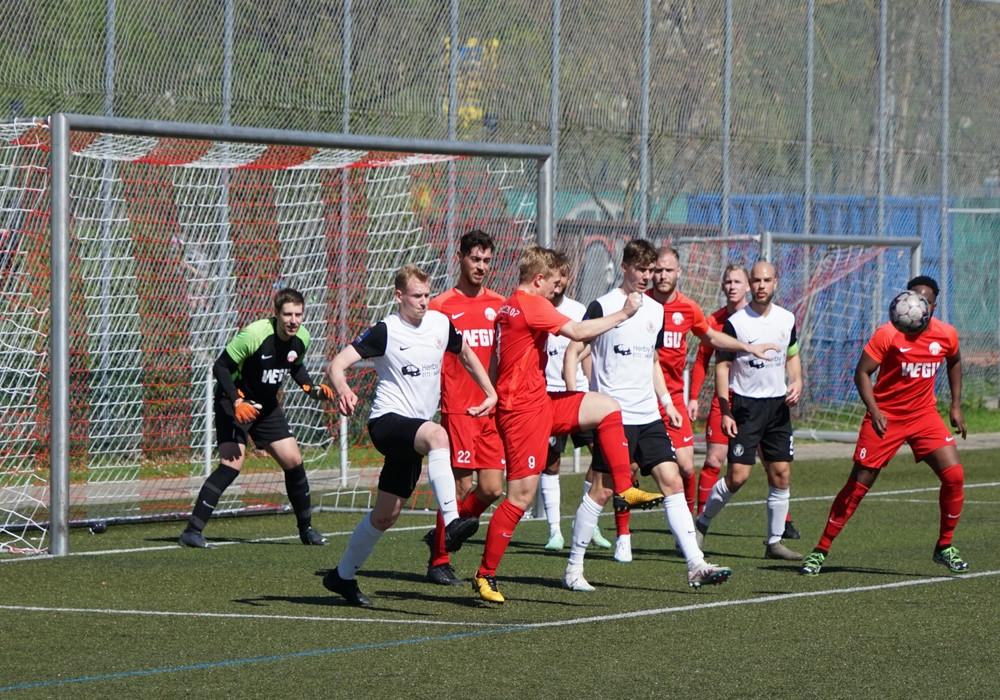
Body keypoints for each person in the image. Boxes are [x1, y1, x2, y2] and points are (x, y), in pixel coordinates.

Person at [472, 245, 664, 604]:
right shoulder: (531, 304)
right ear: (538, 279)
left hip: (540, 402)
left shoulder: (509, 306)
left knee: (607, 407)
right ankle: (485, 574)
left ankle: (624, 488)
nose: (556, 290)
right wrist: (624, 313)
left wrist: (492, 392)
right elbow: (576, 331)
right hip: (522, 415)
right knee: (520, 497)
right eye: (555, 283)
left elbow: (498, 360)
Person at [562, 239, 734, 591]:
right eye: (640, 269)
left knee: (672, 481)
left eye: (651, 270)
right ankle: (573, 569)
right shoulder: (603, 306)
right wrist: (575, 399)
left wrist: (667, 402)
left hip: (649, 415)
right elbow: (573, 350)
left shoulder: (656, 310)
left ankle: (695, 564)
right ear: (624, 267)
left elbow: (652, 360)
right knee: (602, 491)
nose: (646, 276)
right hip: (613, 417)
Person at [321, 264, 495, 607]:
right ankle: (453, 522)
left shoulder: (440, 324)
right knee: (438, 436)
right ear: (399, 296)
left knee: (386, 515)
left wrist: (490, 392)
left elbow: (466, 354)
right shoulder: (386, 330)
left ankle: (341, 576)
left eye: (427, 294)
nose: (424, 302)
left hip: (414, 432)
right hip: (387, 423)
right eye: (417, 296)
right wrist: (343, 389)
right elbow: (336, 365)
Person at [801, 275, 969, 576]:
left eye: (925, 301)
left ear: (933, 305)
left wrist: (956, 406)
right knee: (858, 485)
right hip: (886, 417)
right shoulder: (887, 334)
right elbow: (861, 373)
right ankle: (820, 549)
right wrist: (875, 410)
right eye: (912, 298)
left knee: (954, 475)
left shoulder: (946, 334)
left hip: (924, 415)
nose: (916, 305)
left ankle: (945, 546)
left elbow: (954, 361)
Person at [643, 248, 782, 563]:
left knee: (770, 465)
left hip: (756, 402)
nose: (732, 286)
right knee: (711, 460)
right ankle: (627, 534)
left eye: (738, 281)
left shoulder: (767, 319)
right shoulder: (705, 317)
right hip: (666, 397)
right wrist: (695, 397)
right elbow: (705, 356)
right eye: (728, 281)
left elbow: (785, 352)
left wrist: (789, 378)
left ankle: (777, 524)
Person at [179, 288, 335, 549]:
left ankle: (307, 530)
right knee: (231, 465)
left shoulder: (302, 338)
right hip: (234, 401)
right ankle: (192, 531)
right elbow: (220, 366)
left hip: (267, 406)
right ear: (276, 314)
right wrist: (237, 401)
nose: (293, 320)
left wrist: (311, 389)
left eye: (298, 314)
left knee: (294, 461)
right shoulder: (255, 334)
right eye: (287, 314)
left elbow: (295, 365)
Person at [694, 260, 803, 560]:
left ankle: (774, 542)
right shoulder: (737, 323)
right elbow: (722, 366)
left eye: (767, 280)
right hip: (746, 407)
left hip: (778, 407)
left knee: (781, 474)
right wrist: (725, 409)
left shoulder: (787, 319)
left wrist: (797, 380)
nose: (761, 286)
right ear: (750, 284)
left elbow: (792, 354)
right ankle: (701, 524)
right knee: (738, 477)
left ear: (775, 283)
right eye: (756, 280)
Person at [423, 230, 507, 586]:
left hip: (490, 409)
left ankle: (444, 534)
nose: (481, 266)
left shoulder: (500, 304)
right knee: (459, 487)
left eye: (487, 260)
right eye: (475, 259)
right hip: (458, 407)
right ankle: (439, 560)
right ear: (460, 258)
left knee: (491, 488)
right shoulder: (441, 305)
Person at [536, 261, 610, 552]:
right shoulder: (536, 310)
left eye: (562, 277)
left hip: (578, 396)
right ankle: (554, 531)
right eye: (553, 277)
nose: (558, 284)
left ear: (568, 278)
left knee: (601, 454)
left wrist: (593, 387)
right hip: (548, 397)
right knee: (551, 462)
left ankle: (587, 516)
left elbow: (586, 353)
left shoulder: (578, 311)